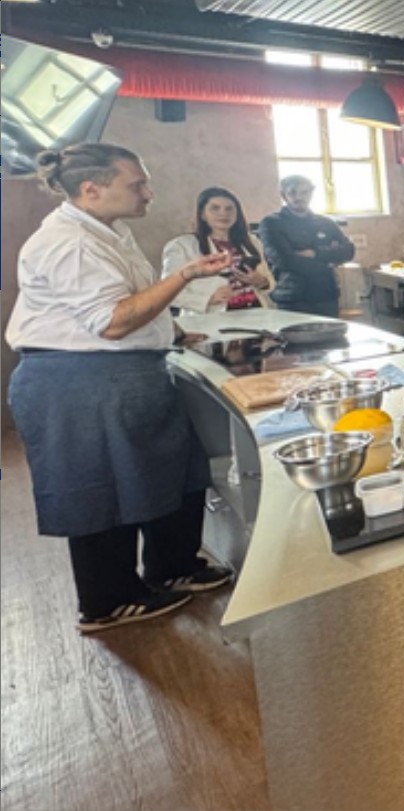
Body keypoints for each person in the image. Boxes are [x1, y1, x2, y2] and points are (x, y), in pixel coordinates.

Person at [6, 144, 235, 633]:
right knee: (101, 486)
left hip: (127, 375)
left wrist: (170, 332)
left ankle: (172, 565)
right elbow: (111, 321)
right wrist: (187, 274)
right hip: (78, 383)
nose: (148, 192)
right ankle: (106, 600)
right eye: (137, 184)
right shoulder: (70, 243)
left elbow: (131, 301)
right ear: (93, 189)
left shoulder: (110, 230)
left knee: (171, 470)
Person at [162, 186, 274, 313]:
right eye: (215, 208)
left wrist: (262, 282)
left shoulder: (252, 242)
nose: (223, 213)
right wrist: (208, 299)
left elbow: (270, 280)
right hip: (208, 319)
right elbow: (166, 292)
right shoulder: (181, 246)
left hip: (255, 313)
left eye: (229, 209)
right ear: (203, 214)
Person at [258, 174, 356, 319]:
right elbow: (284, 260)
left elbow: (349, 251)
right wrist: (328, 262)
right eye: (293, 192)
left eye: (304, 192)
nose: (299, 197)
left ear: (311, 194)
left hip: (326, 296)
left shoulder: (326, 223)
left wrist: (316, 253)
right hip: (292, 297)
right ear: (284, 195)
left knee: (329, 341)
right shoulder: (271, 223)